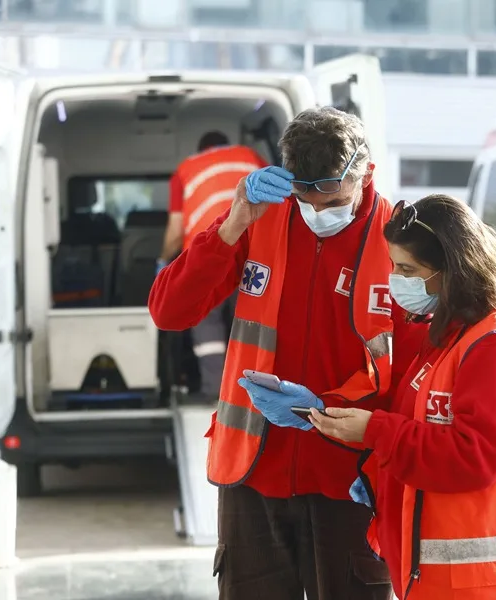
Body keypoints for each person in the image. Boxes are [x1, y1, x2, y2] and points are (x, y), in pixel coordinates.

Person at [149, 107, 425, 600]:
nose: (319, 213)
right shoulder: (260, 220)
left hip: (351, 482)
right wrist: (232, 223)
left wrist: (383, 453)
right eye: (306, 199)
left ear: (368, 174)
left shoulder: (402, 241)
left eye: (334, 200)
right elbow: (169, 311)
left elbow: (418, 369)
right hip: (252, 476)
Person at [308, 194, 496, 600]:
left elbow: (473, 457)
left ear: (452, 269)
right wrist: (341, 419)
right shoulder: (450, 336)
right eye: (393, 266)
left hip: (486, 584)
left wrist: (376, 432)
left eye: (407, 269)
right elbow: (418, 426)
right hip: (446, 578)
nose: (395, 281)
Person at [158, 131, 268, 401]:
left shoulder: (186, 170)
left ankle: (215, 394)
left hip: (209, 259)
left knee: (209, 328)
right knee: (251, 324)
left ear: (201, 149)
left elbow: (174, 232)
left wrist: (163, 261)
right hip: (255, 256)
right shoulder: (251, 157)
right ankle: (255, 394)